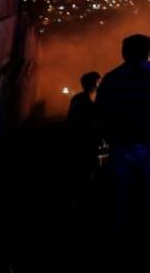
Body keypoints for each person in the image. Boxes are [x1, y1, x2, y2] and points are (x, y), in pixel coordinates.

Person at [96, 34, 150, 225]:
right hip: (147, 145)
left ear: (124, 53)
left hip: (120, 144)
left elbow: (101, 112)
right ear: (147, 53)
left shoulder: (111, 79)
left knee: (121, 194)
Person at [66, 71, 104, 203]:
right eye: (99, 81)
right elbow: (72, 122)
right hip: (82, 141)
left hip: (94, 141)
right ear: (93, 83)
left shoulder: (99, 99)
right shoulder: (79, 100)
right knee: (84, 169)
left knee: (94, 168)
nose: (101, 83)